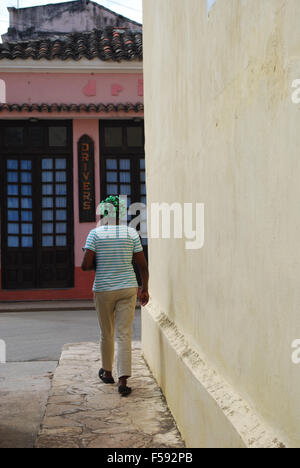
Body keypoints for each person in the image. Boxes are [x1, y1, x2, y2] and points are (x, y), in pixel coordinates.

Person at [81, 196, 149, 397]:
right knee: (124, 334)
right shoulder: (131, 234)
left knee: (106, 332)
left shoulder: (95, 234)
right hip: (128, 287)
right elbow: (142, 266)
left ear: (104, 213)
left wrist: (94, 257)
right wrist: (144, 289)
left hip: (103, 289)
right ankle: (123, 380)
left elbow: (85, 265)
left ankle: (108, 372)